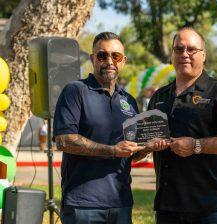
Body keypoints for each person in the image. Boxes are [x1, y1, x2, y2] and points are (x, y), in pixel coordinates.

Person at [53, 32, 163, 224]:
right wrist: (112, 150)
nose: (109, 61)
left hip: (121, 203)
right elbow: (64, 140)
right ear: (92, 59)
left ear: (123, 61)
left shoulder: (128, 100)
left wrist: (146, 148)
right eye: (102, 56)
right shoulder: (75, 91)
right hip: (83, 205)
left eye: (116, 56)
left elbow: (129, 154)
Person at [147, 27, 217, 224]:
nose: (184, 54)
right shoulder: (159, 97)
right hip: (167, 206)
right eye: (178, 49)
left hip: (210, 207)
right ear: (172, 55)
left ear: (203, 55)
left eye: (191, 49)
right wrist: (148, 145)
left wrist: (196, 145)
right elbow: (146, 138)